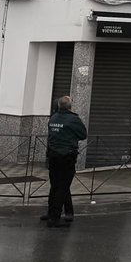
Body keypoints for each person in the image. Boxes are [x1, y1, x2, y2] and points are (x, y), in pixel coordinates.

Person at [42, 94, 87, 229]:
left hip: (52, 156)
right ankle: (54, 218)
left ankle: (56, 213)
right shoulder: (73, 120)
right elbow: (83, 135)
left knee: (55, 185)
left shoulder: (53, 118)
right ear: (70, 107)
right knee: (63, 186)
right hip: (66, 157)